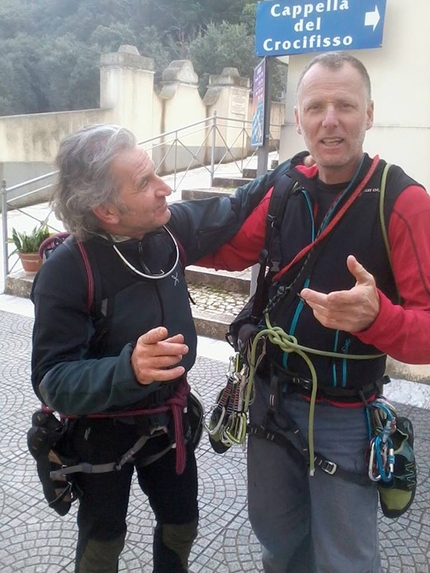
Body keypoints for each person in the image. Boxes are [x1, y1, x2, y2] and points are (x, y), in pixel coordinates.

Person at [198, 52, 430, 573]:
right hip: (270, 401)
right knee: (277, 543)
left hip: (345, 417)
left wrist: (378, 318)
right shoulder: (285, 189)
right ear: (298, 118)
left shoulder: (403, 201)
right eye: (316, 106)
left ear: (368, 114)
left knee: (345, 560)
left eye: (345, 105)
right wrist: (128, 238)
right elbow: (226, 246)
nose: (330, 119)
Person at [30, 123, 295, 573]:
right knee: (102, 542)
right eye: (145, 183)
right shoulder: (66, 271)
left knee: (181, 525)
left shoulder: (168, 233)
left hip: (168, 421)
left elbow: (231, 208)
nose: (164, 188)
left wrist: (290, 169)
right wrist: (127, 368)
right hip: (101, 436)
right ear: (106, 210)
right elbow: (52, 380)